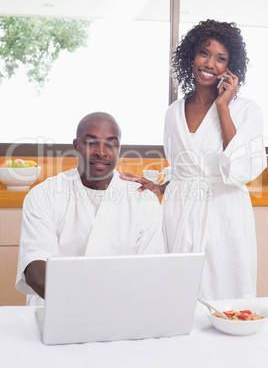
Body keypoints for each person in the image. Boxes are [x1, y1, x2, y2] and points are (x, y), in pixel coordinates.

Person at [119, 20, 267, 300]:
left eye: (220, 58)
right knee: (179, 295)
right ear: (191, 56)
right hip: (180, 211)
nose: (210, 63)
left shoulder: (247, 110)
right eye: (204, 53)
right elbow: (183, 168)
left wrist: (223, 106)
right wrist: (160, 188)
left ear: (230, 67)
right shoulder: (173, 113)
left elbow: (240, 170)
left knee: (225, 294)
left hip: (224, 214)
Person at [16, 112, 165, 305]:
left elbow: (150, 270)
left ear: (119, 148)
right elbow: (35, 266)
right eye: (91, 142)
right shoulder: (44, 194)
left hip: (121, 308)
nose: (101, 152)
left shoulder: (143, 199)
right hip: (57, 307)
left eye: (111, 143)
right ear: (76, 146)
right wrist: (81, 304)